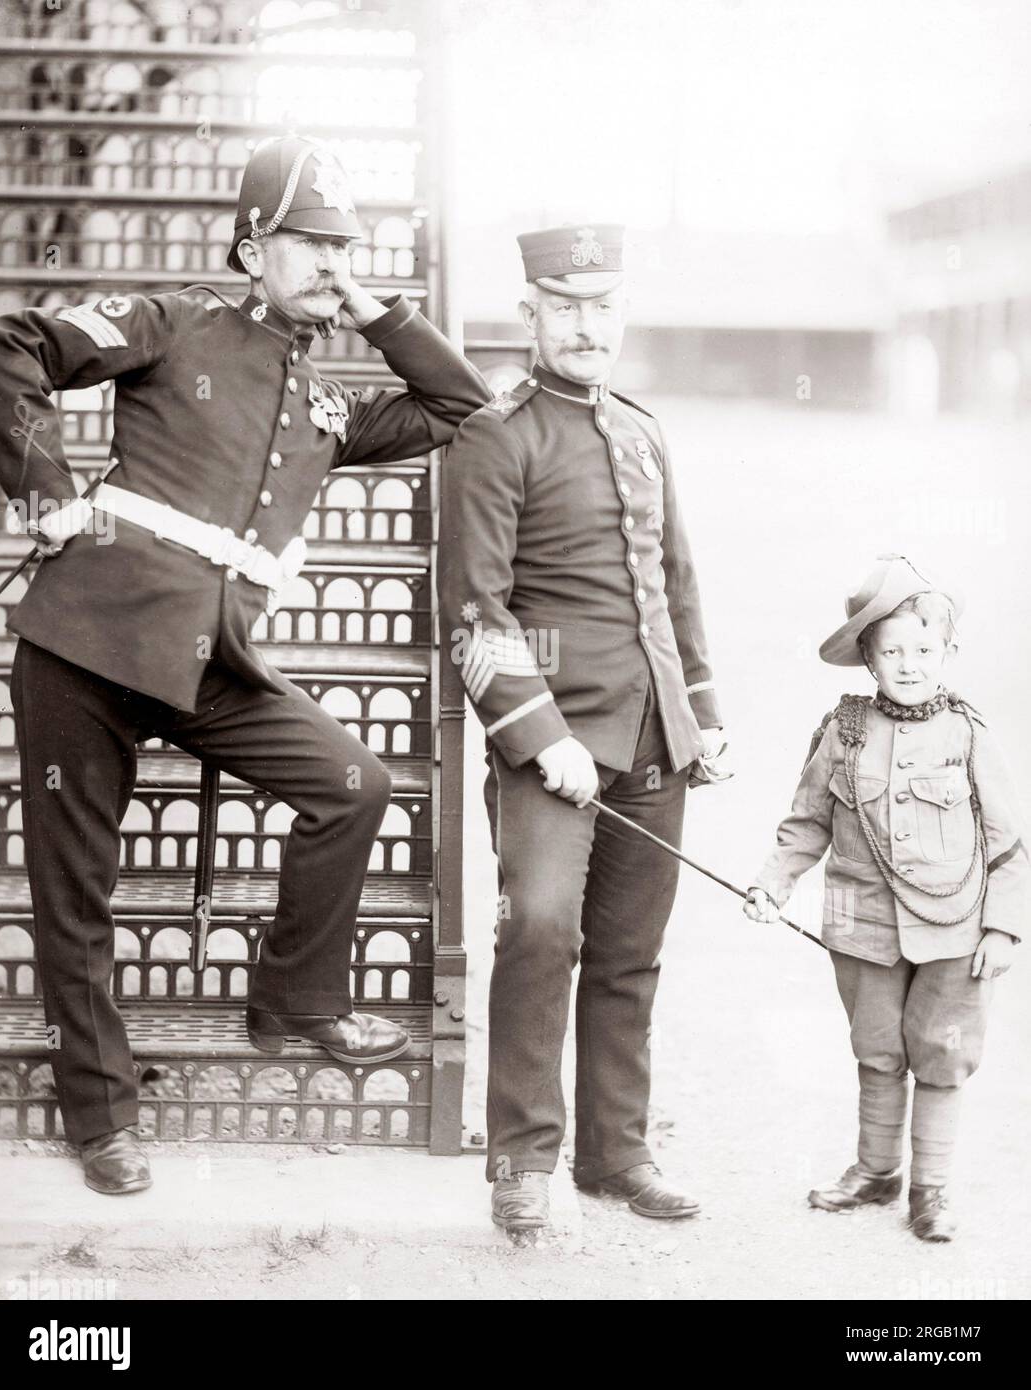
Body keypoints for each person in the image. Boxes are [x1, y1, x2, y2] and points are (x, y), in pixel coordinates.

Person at [0, 135, 490, 1194]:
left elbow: (460, 408)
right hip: (84, 645)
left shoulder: (326, 404)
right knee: (78, 890)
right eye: (307, 242)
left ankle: (293, 1000)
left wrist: (378, 311)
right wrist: (44, 494)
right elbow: (6, 344)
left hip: (213, 664)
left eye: (343, 246)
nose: (327, 263)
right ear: (252, 248)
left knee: (352, 781)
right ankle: (101, 1115)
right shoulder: (176, 321)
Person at [438, 224, 728, 1233]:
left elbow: (674, 588)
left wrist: (703, 712)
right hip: (549, 746)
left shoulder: (644, 431)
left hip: (654, 740)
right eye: (563, 306)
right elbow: (474, 610)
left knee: (628, 951)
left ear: (621, 314)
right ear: (530, 313)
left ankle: (616, 1154)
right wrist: (540, 733)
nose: (584, 325)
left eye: (601, 306)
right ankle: (519, 1160)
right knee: (540, 930)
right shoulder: (496, 432)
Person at [744, 555, 1028, 1241]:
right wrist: (772, 882)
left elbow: (1009, 845)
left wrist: (1004, 930)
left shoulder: (966, 733)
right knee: (875, 1049)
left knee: (942, 1052)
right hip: (861, 924)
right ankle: (876, 1171)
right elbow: (806, 821)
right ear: (868, 658)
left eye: (924, 649)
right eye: (892, 649)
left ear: (947, 652)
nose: (909, 663)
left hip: (957, 932)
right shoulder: (843, 733)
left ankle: (930, 1190)